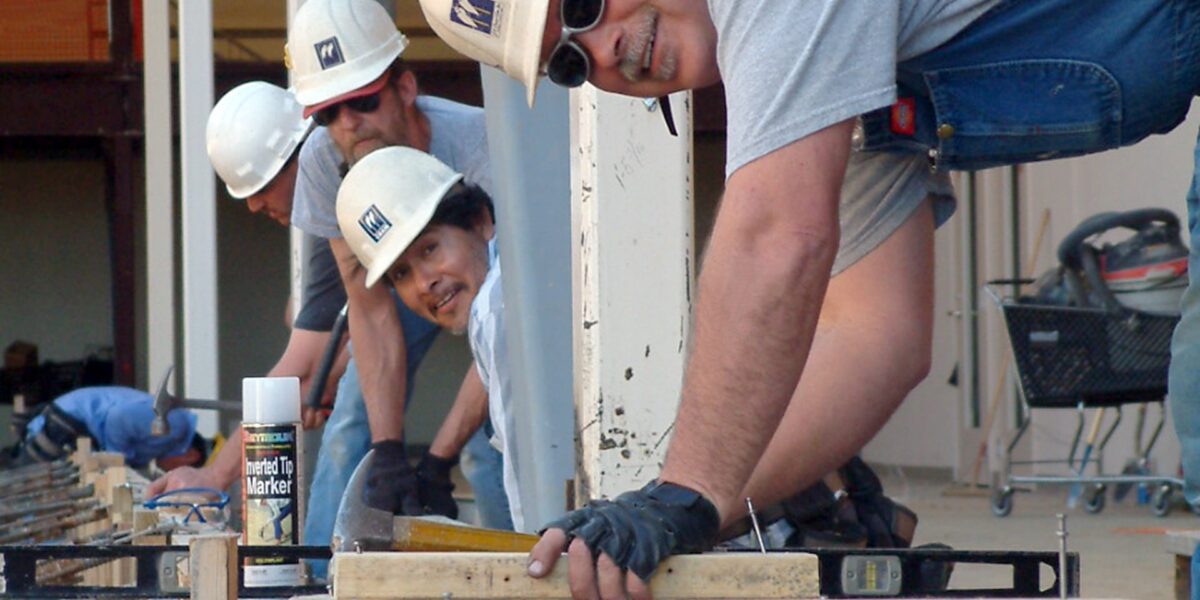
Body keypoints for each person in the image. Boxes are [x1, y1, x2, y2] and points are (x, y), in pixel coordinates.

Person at [420, 0, 1200, 595]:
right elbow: (876, 336)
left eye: (584, 4)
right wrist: (692, 514)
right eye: (568, 61)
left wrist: (687, 492)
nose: (602, 48)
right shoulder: (820, 75)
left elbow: (778, 236)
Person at [286, 0, 511, 532]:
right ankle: (323, 576)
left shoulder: (485, 149)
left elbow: (510, 321)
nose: (346, 125)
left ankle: (526, 572)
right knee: (349, 429)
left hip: (504, 293)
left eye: (362, 101)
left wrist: (439, 457)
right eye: (326, 113)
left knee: (490, 446)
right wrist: (389, 451)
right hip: (414, 290)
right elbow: (370, 309)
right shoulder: (323, 162)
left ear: (404, 89)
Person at [335, 146, 526, 529]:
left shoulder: (495, 307)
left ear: (480, 221)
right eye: (402, 273)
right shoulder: (504, 292)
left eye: (430, 249)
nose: (425, 283)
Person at [6, 386, 206, 472]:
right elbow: (118, 419)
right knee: (18, 483)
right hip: (68, 423)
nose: (169, 472)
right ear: (191, 456)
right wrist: (118, 460)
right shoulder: (178, 425)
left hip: (70, 424)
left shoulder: (171, 439)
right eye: (178, 470)